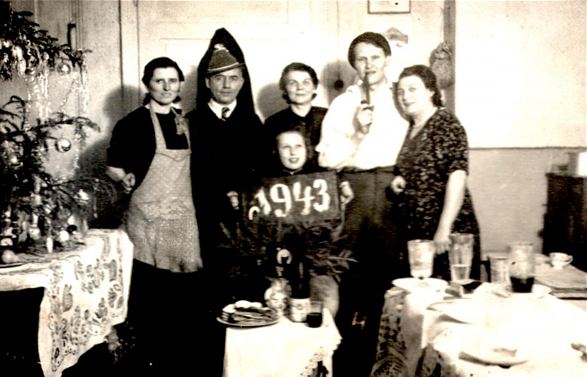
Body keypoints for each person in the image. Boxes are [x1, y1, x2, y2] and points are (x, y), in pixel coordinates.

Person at [105, 57, 208, 375]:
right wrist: (122, 178)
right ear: (147, 84)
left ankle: (174, 364)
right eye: (159, 81)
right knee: (149, 296)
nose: (166, 87)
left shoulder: (184, 122)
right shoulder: (132, 123)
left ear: (180, 84)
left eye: (172, 81)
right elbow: (113, 165)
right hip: (147, 218)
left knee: (181, 298)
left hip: (181, 217)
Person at [316, 31, 409, 377]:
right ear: (353, 64)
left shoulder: (403, 96)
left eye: (374, 57)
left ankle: (390, 364)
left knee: (391, 275)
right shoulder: (343, 103)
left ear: (387, 59)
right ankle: (351, 358)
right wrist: (356, 131)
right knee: (352, 274)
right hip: (353, 191)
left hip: (391, 191)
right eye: (360, 59)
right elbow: (326, 158)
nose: (368, 65)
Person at [391, 64, 481, 280]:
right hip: (419, 232)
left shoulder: (446, 123)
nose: (405, 96)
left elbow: (457, 177)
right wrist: (400, 178)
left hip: (446, 230)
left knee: (449, 297)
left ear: (431, 90)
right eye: (401, 91)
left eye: (413, 89)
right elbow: (422, 169)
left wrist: (444, 228)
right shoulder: (413, 127)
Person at [263, 62, 326, 172]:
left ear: (314, 86)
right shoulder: (273, 123)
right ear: (284, 89)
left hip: (327, 181)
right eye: (293, 83)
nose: (300, 87)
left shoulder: (329, 116)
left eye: (306, 82)